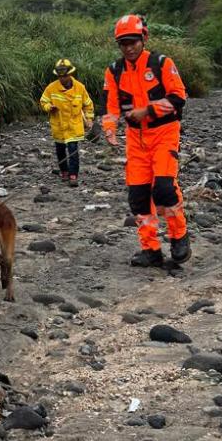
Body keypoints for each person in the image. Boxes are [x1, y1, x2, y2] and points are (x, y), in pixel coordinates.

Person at [101, 14, 192, 267]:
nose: (128, 47)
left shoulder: (161, 63)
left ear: (144, 38)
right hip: (135, 139)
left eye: (133, 42)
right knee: (139, 196)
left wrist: (148, 111)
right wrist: (109, 129)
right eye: (123, 43)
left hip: (164, 133)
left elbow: (178, 98)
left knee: (164, 188)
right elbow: (110, 108)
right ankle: (150, 249)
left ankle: (179, 236)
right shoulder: (114, 71)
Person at [39, 59, 94, 187]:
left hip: (74, 126)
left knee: (73, 150)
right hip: (59, 127)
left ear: (70, 74)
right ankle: (64, 171)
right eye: (60, 76)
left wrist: (89, 118)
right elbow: (43, 101)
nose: (62, 78)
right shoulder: (52, 88)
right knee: (60, 151)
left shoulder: (80, 88)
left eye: (64, 76)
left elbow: (88, 104)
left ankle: (73, 174)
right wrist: (49, 107)